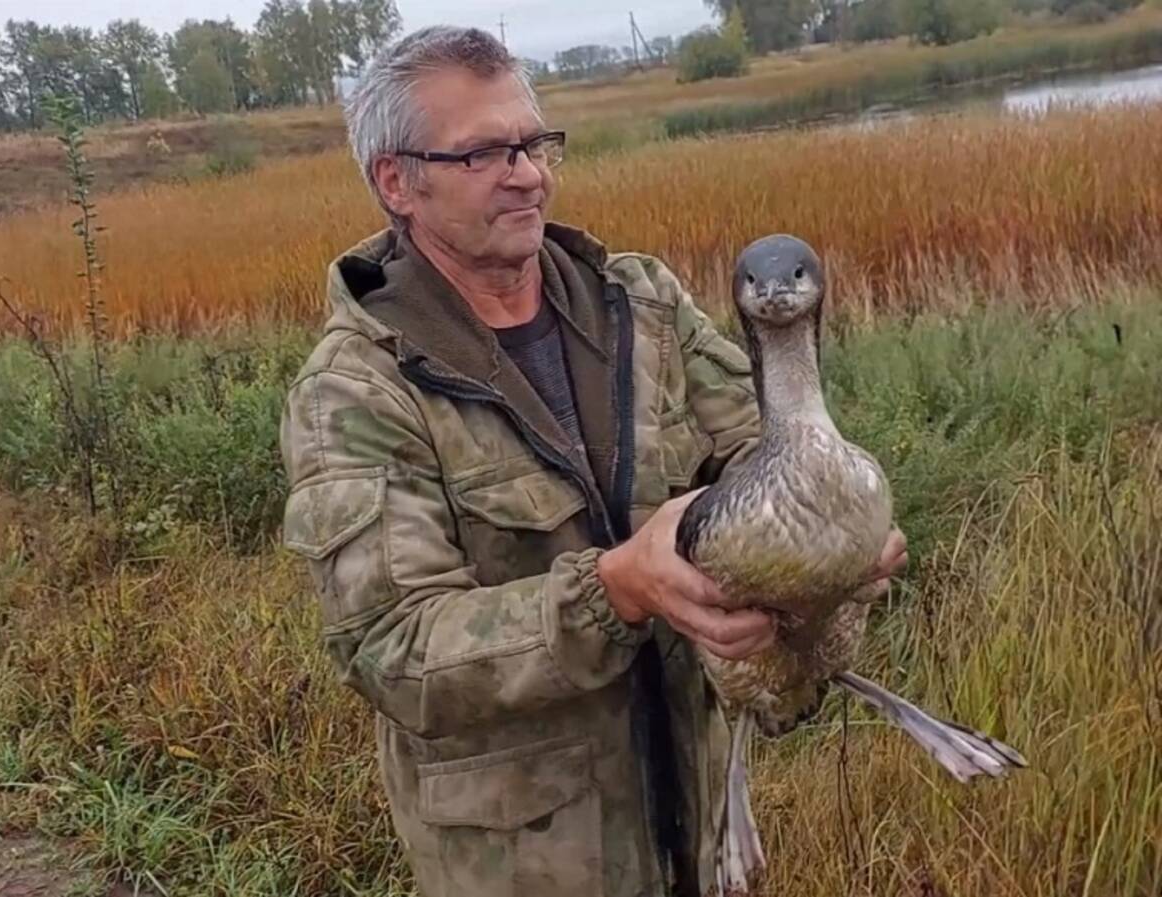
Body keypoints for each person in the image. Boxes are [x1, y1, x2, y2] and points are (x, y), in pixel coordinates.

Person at [280, 25, 906, 897]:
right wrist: (614, 591)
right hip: (534, 864)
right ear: (397, 181)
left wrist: (838, 526)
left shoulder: (641, 304)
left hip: (704, 827)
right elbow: (396, 651)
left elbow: (752, 446)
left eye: (535, 143)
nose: (529, 172)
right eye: (486, 154)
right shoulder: (358, 391)